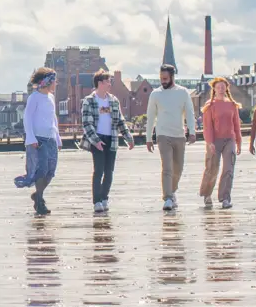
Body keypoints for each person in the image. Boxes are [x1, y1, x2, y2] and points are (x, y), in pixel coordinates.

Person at [81, 69, 134, 214]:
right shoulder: (89, 101)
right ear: (100, 83)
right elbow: (86, 123)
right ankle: (97, 201)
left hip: (112, 138)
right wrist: (95, 141)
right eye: (107, 81)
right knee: (98, 170)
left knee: (109, 171)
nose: (109, 84)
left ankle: (104, 198)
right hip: (97, 138)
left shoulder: (113, 100)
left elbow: (120, 121)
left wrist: (128, 137)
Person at [144, 64, 196, 211]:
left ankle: (172, 191)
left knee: (178, 168)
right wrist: (149, 138)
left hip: (179, 135)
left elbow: (189, 113)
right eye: (161, 78)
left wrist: (192, 131)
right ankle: (167, 198)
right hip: (162, 135)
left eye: (166, 78)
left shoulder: (183, 92)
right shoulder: (155, 94)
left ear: (173, 76)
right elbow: (150, 117)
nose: (163, 81)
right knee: (167, 167)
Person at [13, 67, 61, 216]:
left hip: (51, 138)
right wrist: (31, 138)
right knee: (42, 169)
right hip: (38, 139)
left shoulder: (51, 98)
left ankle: (37, 195)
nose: (56, 83)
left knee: (51, 171)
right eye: (54, 80)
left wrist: (58, 137)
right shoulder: (34, 97)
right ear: (47, 82)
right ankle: (39, 201)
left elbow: (53, 118)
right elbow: (27, 118)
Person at [198, 77, 242, 209]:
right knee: (212, 168)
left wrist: (239, 142)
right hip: (214, 140)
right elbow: (207, 126)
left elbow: (236, 125)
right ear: (214, 89)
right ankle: (207, 194)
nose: (221, 89)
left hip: (230, 139)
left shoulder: (232, 105)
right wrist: (210, 142)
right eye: (218, 87)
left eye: (223, 87)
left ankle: (225, 198)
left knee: (228, 169)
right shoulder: (210, 106)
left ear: (227, 88)